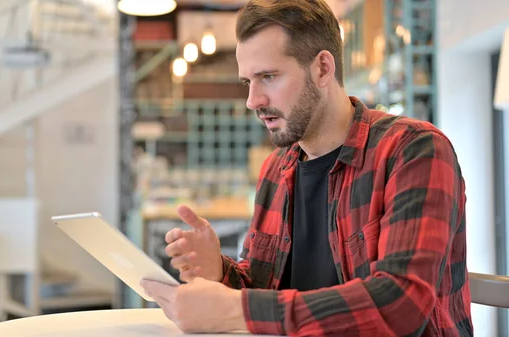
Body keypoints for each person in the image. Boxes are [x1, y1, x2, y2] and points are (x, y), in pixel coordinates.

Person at [140, 0, 473, 335]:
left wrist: (237, 309)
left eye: (268, 77)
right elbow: (263, 291)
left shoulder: (412, 149)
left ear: (323, 69)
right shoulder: (276, 168)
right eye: (248, 82)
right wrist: (219, 272)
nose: (252, 100)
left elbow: (401, 305)